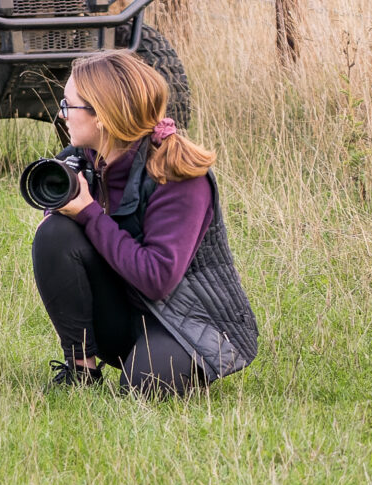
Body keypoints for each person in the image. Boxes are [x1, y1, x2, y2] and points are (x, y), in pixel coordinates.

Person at [30, 49, 259, 395]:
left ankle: (161, 361)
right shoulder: (85, 163)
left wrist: (90, 213)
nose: (61, 115)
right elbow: (63, 245)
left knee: (143, 386)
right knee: (55, 234)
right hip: (131, 309)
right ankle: (81, 372)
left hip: (193, 322)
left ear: (102, 116)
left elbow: (156, 278)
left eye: (68, 105)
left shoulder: (179, 176)